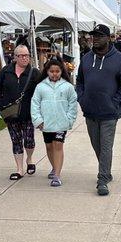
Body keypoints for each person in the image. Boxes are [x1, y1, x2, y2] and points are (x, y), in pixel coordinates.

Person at [76, 24, 121, 196]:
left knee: (106, 146)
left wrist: (116, 103)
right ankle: (106, 170)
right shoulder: (86, 58)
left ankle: (102, 179)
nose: (95, 38)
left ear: (108, 38)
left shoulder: (119, 59)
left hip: (109, 112)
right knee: (96, 145)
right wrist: (81, 98)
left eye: (99, 36)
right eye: (94, 35)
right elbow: (80, 81)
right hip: (90, 110)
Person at [0, 44, 40, 180]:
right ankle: (19, 169)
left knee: (29, 140)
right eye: (21, 56)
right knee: (16, 140)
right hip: (11, 114)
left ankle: (29, 159)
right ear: (15, 57)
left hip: (28, 113)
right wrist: (3, 104)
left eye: (27, 55)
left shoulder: (34, 73)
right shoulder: (5, 71)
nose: (25, 58)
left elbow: (42, 91)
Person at [31, 58, 77, 187]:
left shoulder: (68, 87)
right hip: (46, 123)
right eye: (52, 71)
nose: (54, 74)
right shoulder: (40, 87)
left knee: (58, 145)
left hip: (61, 123)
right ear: (47, 72)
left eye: (57, 71)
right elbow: (35, 104)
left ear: (62, 71)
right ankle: (54, 166)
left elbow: (73, 104)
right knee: (49, 146)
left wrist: (69, 119)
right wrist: (38, 120)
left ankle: (57, 175)